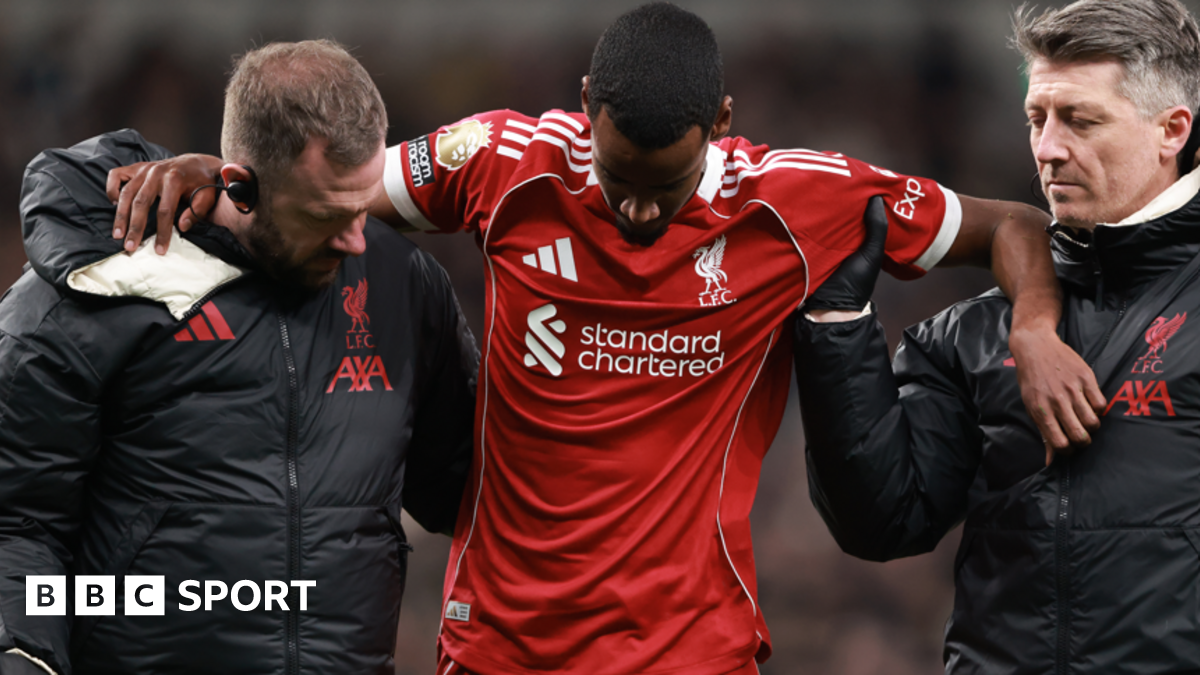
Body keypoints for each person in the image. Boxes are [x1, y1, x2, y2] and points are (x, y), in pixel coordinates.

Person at [105, 5, 1100, 673]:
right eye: (619, 176)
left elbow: (1011, 225)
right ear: (585, 103)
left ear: (721, 123)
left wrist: (1034, 327)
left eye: (665, 187)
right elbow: (334, 193)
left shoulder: (796, 200)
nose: (636, 209)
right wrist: (220, 176)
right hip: (497, 645)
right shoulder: (503, 163)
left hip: (690, 651)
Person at [0, 40, 478, 675]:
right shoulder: (101, 286)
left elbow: (473, 495)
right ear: (240, 188)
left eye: (363, 209)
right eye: (325, 216)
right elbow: (17, 525)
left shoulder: (404, 286)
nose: (356, 241)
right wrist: (24, 657)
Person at [792, 0, 1200, 671]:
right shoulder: (970, 334)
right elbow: (882, 524)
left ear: (1171, 130)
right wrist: (836, 323)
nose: (1048, 149)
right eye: (1037, 118)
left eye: (1080, 120)